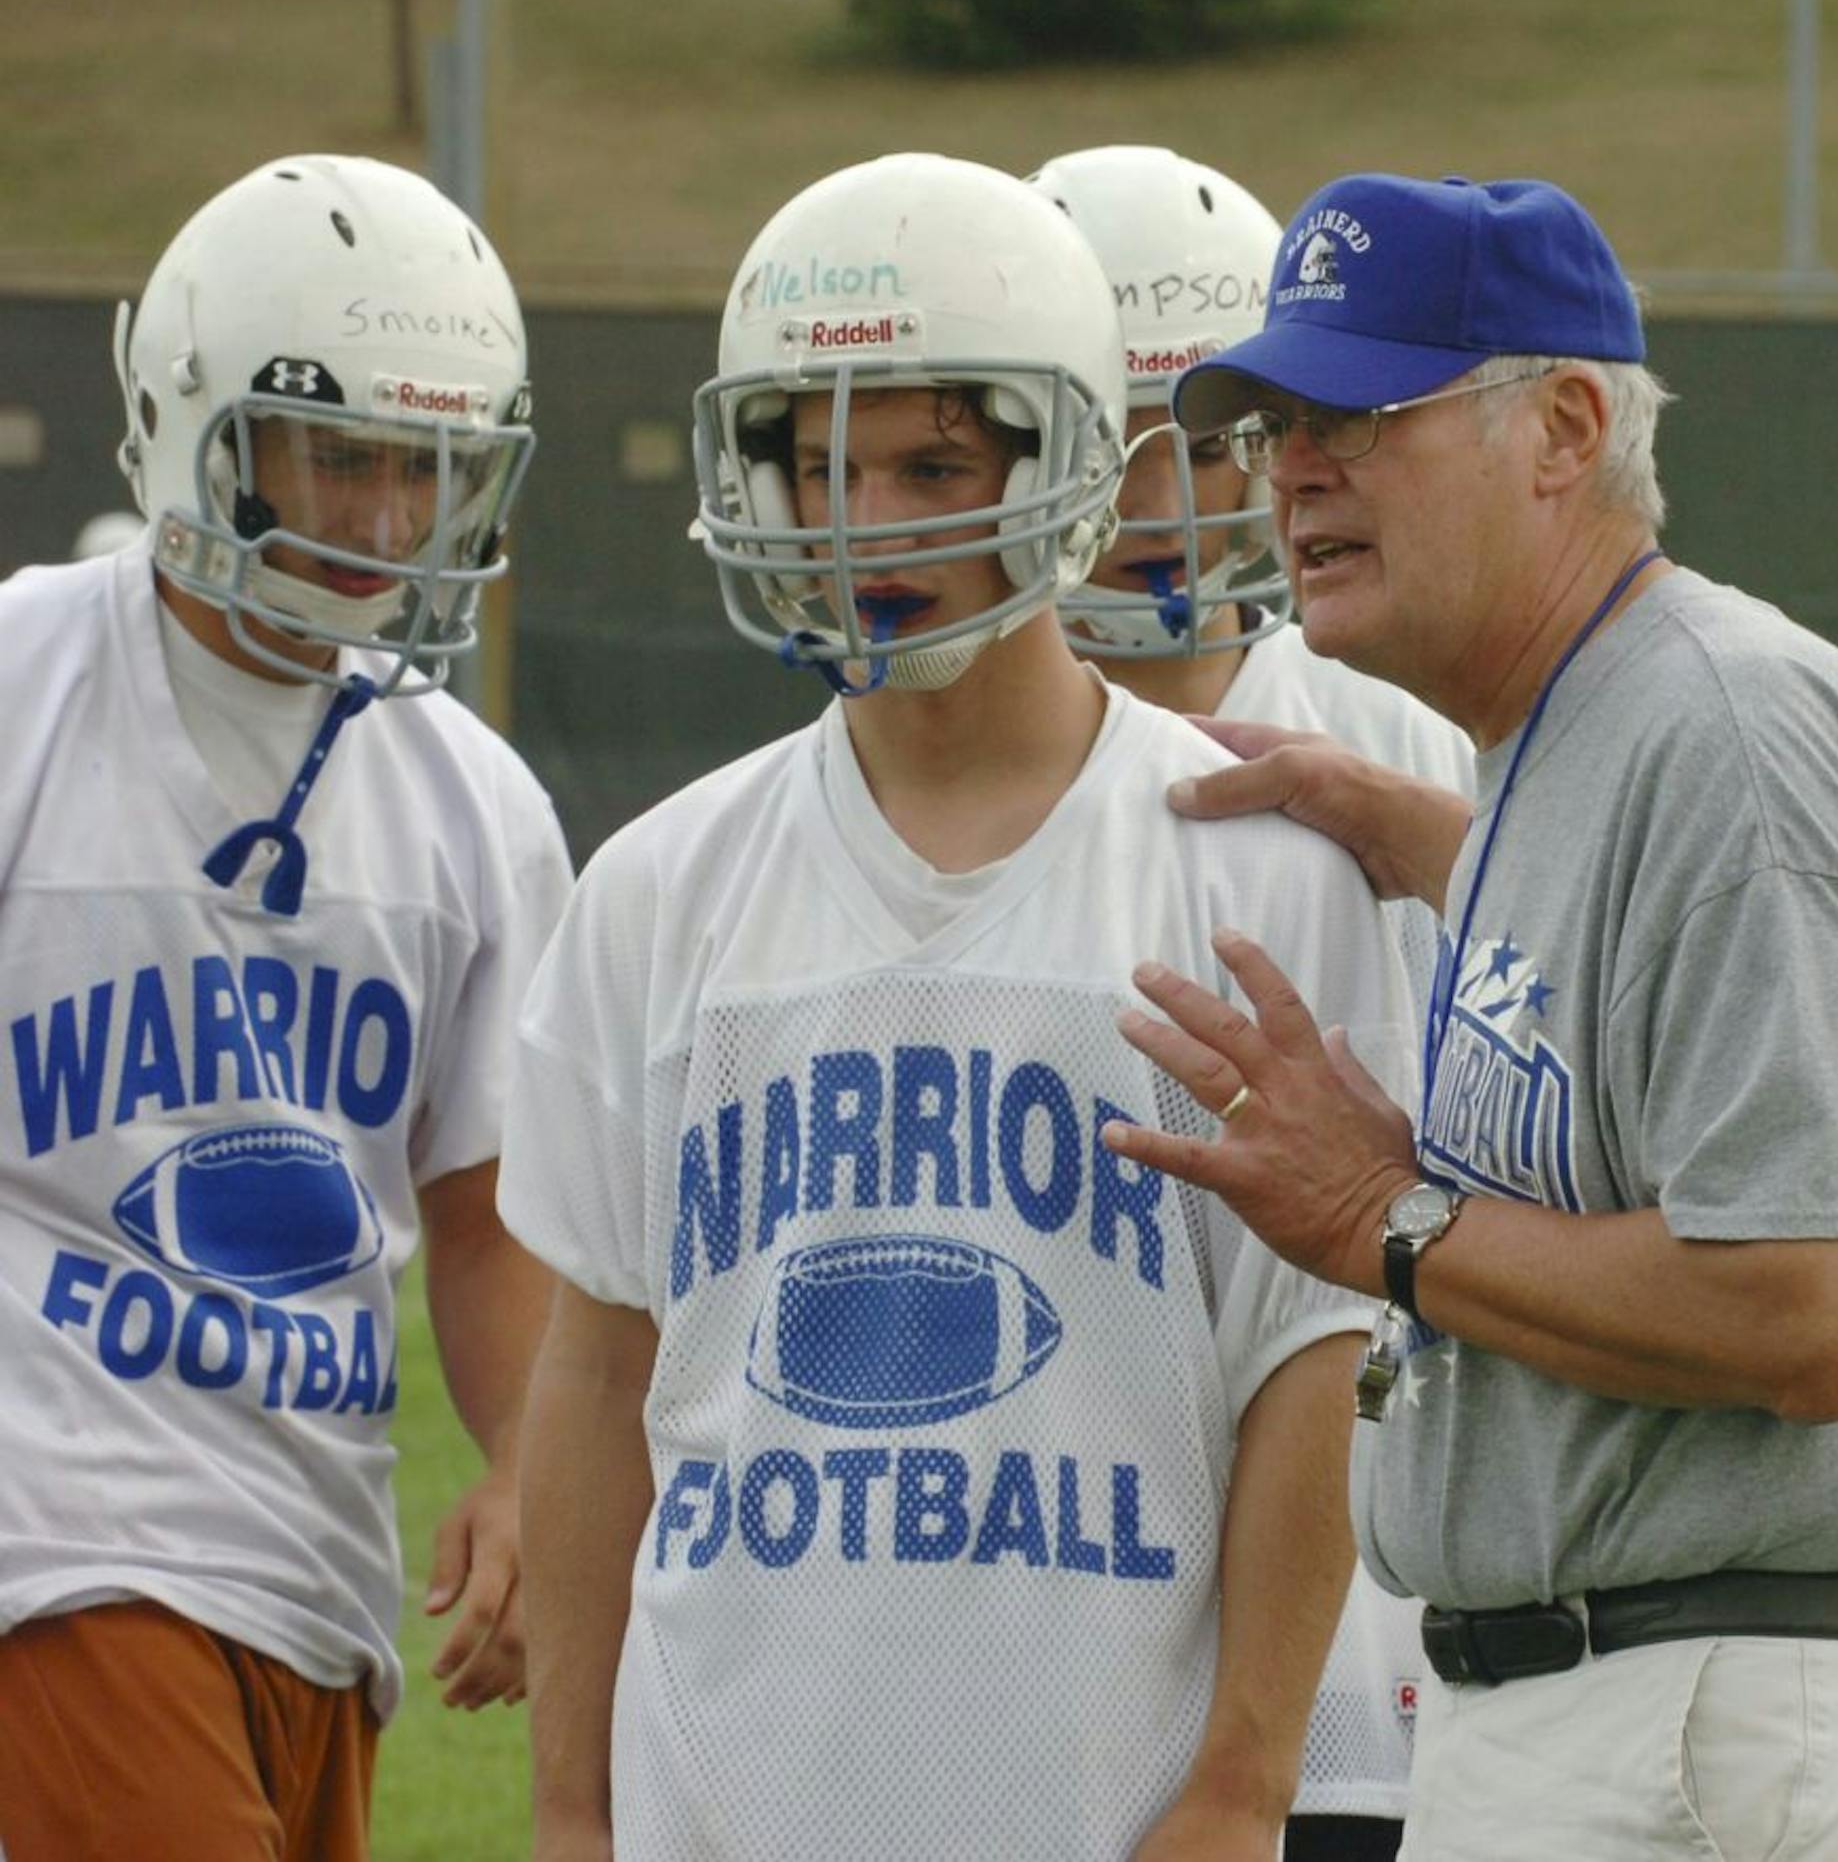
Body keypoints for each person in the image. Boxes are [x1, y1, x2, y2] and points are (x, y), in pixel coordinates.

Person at [498, 151, 1414, 1862]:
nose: (867, 520)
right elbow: (599, 1364)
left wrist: (1240, 1779)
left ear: (1075, 463)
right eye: (820, 463)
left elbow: (1318, 1357)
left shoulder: (1254, 868)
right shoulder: (657, 886)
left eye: (932, 461)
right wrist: (569, 1806)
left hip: (1108, 1786)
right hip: (731, 1784)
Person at [1099, 172, 1838, 1860]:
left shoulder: (1726, 733)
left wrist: (1382, 1215)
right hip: (1635, 1696)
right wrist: (1442, 847)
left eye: (1362, 413)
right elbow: (1641, 998)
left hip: (1724, 1711)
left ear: (1567, 426)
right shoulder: (1581, 731)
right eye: (1277, 423)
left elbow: (1816, 1303)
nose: (1295, 465)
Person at [0, 154, 572, 1862]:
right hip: (55, 1525)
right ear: (196, 423)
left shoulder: (474, 804)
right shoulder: (24, 684)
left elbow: (485, 1217)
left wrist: (531, 1463)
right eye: (341, 453)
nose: (388, 519)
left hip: (307, 1546)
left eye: (425, 465)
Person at [1034, 142, 1475, 1862]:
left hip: (1367, 1650)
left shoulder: (1405, 722)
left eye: (1208, 437)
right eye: (1118, 439)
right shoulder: (947, 758)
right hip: (1032, 1589)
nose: (1168, 493)